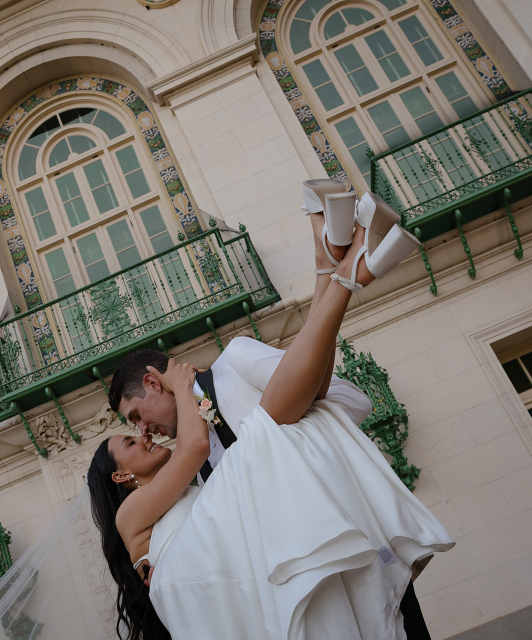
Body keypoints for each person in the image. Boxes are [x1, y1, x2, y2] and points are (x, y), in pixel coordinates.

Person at [86, 181, 454, 640]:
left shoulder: (235, 359)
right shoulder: (193, 472)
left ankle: (337, 267)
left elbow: (329, 391)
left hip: (343, 532)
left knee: (267, 431)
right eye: (133, 430)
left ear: (153, 382)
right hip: (293, 576)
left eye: (136, 416)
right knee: (263, 437)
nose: (145, 430)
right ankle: (340, 268)